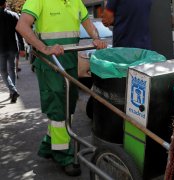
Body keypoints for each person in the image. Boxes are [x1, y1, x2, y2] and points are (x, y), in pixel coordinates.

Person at [16, 0, 107, 176]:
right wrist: (44, 47)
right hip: (51, 65)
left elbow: (89, 25)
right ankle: (63, 155)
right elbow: (22, 26)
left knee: (68, 107)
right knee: (59, 110)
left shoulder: (76, 2)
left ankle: (49, 144)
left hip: (69, 62)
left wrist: (96, 38)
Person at [0, 0, 25, 103]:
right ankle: (12, 92)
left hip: (1, 49)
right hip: (13, 47)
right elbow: (19, 33)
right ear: (5, 4)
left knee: (3, 71)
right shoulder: (14, 15)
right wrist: (22, 47)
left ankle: (13, 91)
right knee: (12, 69)